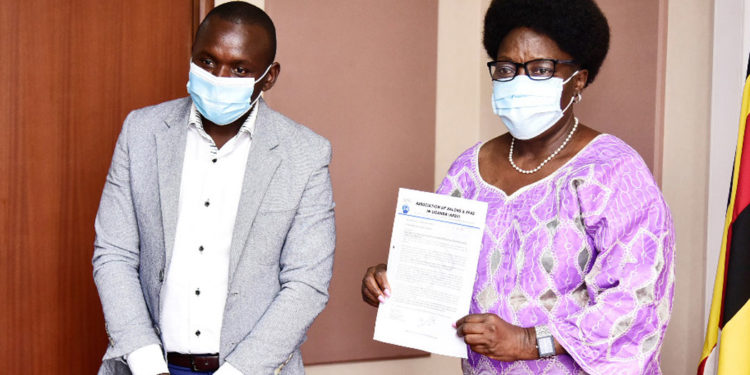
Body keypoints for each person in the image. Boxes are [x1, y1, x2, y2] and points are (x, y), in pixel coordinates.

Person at [361, 0, 674, 373]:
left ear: (579, 79)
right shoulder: (468, 170)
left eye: (540, 69)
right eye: (507, 68)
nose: (519, 81)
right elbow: (443, 272)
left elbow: (637, 304)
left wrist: (528, 341)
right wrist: (395, 282)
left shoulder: (613, 173)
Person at [92, 2, 335, 374]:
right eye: (207, 61)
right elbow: (114, 253)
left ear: (269, 77)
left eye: (239, 69)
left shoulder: (305, 154)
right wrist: (143, 359)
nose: (219, 77)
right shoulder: (140, 133)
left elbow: (307, 283)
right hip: (148, 365)